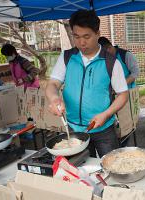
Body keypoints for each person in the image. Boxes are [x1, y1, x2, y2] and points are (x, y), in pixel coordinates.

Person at [45, 10, 128, 158]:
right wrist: (54, 99)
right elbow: (53, 84)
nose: (81, 42)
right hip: (74, 129)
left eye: (86, 36)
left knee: (111, 166)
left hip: (104, 128)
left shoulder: (111, 62)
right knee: (79, 170)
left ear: (97, 33)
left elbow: (123, 94)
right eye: (76, 36)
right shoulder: (67, 57)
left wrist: (106, 114)